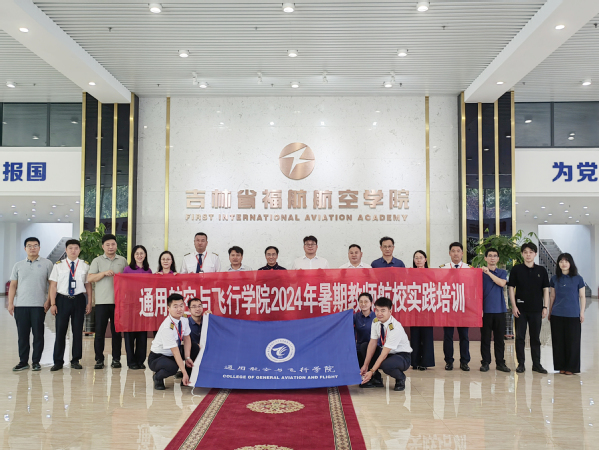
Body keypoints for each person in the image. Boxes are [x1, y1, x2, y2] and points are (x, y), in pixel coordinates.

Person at [8, 237, 54, 372]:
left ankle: (36, 362)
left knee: (38, 335)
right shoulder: (18, 265)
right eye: (29, 246)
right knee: (22, 336)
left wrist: (49, 301)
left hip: (39, 306)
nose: (32, 248)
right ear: (25, 248)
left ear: (39, 248)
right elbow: (13, 285)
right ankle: (23, 362)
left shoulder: (47, 264)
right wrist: (10, 303)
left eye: (35, 245)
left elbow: (52, 284)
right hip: (21, 306)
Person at [48, 239, 92, 371]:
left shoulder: (85, 265)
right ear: (66, 250)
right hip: (62, 300)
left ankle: (76, 360)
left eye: (76, 248)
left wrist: (89, 302)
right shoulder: (58, 266)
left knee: (77, 331)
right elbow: (53, 286)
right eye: (70, 248)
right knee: (60, 331)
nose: (73, 250)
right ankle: (58, 361)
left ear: (79, 250)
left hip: (79, 299)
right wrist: (53, 303)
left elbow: (88, 285)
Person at [508, 242, 550, 374]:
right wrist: (513, 306)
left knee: (535, 338)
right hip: (520, 309)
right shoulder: (516, 269)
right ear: (522, 254)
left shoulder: (541, 270)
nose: (528, 255)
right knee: (520, 337)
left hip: (536, 309)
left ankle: (536, 364)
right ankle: (520, 364)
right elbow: (511, 288)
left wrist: (545, 306)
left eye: (531, 252)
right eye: (525, 252)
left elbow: (546, 289)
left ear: (535, 254)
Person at [87, 234, 128, 369]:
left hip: (118, 303)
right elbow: (90, 278)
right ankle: (99, 359)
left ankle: (116, 359)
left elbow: (128, 279)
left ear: (116, 245)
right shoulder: (97, 261)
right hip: (101, 303)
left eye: (113, 244)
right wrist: (103, 273)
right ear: (103, 246)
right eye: (108, 245)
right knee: (99, 333)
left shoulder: (122, 260)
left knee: (116, 333)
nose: (111, 247)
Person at [360, 297, 412, 391]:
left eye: (383, 310)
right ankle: (376, 379)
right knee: (364, 346)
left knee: (386, 365)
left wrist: (371, 371)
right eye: (377, 310)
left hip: (401, 356)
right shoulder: (375, 321)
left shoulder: (395, 328)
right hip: (385, 351)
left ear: (390, 311)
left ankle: (400, 378)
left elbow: (384, 354)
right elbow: (373, 343)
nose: (379, 314)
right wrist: (365, 365)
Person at [549, 253, 585, 375]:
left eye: (566, 261)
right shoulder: (554, 279)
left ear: (570, 263)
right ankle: (561, 366)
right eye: (561, 261)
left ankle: (571, 367)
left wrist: (582, 312)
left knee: (573, 342)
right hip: (557, 314)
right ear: (558, 264)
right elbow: (552, 296)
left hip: (573, 314)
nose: (563, 263)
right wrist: (550, 311)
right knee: (558, 342)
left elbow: (582, 296)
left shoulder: (578, 279)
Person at [148, 294, 194, 390]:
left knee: (195, 348)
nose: (179, 309)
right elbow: (175, 351)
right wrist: (183, 371)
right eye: (175, 306)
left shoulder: (184, 319)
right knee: (173, 367)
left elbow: (187, 338)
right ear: (168, 308)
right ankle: (157, 377)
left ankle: (188, 377)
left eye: (181, 305)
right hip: (158, 357)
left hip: (173, 353)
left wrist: (187, 357)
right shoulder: (167, 327)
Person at [440, 242, 470, 371]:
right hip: (448, 306)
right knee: (448, 335)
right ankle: (449, 361)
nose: (456, 253)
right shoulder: (443, 268)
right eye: (453, 251)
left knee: (464, 336)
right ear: (449, 253)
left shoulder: (469, 269)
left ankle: (464, 361)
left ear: (462, 253)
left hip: (463, 306)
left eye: (458, 251)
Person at [480, 248, 510, 373]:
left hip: (499, 310)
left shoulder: (502, 272)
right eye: (490, 255)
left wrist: (488, 273)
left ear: (498, 259)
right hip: (485, 311)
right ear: (485, 258)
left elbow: (501, 283)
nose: (492, 258)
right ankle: (485, 362)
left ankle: (500, 363)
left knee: (499, 339)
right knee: (485, 339)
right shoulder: (479, 274)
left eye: (495, 256)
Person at [123, 245, 152, 370]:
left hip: (143, 305)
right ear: (133, 256)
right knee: (129, 334)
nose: (139, 256)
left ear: (145, 255)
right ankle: (131, 361)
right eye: (137, 254)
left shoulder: (148, 270)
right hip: (130, 305)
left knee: (142, 334)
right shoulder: (127, 269)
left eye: (142, 253)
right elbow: (123, 287)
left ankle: (140, 360)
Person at [410, 250, 435, 371]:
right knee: (414, 336)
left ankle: (425, 362)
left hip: (427, 308)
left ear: (425, 260)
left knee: (427, 336)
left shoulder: (432, 273)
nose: (418, 260)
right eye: (416, 258)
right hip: (414, 308)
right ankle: (414, 361)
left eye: (421, 257)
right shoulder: (409, 273)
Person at [354, 293, 381, 387]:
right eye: (361, 302)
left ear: (371, 303)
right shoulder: (356, 316)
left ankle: (375, 377)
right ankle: (371, 377)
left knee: (365, 346)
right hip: (359, 349)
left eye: (366, 301)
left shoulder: (377, 317)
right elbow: (345, 324)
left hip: (374, 348)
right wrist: (347, 313)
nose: (363, 304)